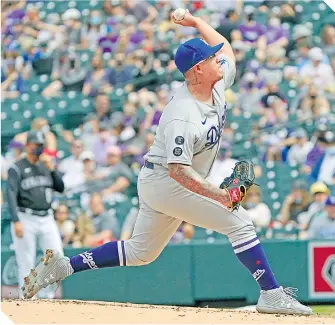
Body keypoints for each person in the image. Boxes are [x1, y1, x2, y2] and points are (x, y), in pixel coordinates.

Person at [21, 10, 312, 315]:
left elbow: (225, 47)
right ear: (198, 70)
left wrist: (196, 23)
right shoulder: (182, 114)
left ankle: (63, 266)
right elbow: (178, 171)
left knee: (140, 252)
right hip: (167, 181)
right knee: (240, 223)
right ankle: (271, 294)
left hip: (163, 180)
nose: (220, 61)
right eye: (212, 60)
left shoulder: (215, 81)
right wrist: (222, 197)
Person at [6, 130, 65, 299]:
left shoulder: (46, 165)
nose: (38, 148)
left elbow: (60, 187)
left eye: (41, 145)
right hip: (26, 217)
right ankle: (28, 299)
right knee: (26, 260)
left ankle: (47, 296)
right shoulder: (17, 167)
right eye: (36, 145)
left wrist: (52, 169)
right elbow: (10, 196)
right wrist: (16, 220)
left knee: (57, 257)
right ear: (27, 146)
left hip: (46, 217)